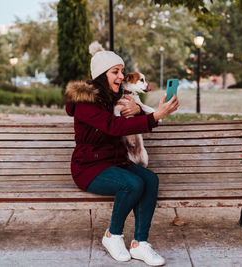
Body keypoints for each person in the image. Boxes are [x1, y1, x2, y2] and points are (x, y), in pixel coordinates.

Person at [64, 49, 179, 266]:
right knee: (132, 184)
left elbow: (129, 110)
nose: (121, 76)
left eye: (122, 71)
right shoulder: (85, 102)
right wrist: (155, 116)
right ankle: (113, 235)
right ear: (101, 75)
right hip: (88, 168)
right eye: (115, 72)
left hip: (113, 162)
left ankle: (140, 243)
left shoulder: (111, 95)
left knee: (150, 179)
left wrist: (138, 109)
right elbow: (113, 126)